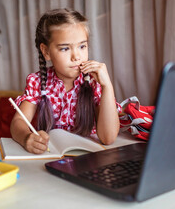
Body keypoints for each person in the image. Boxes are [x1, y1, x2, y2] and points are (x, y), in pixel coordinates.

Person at [10, 8, 122, 154]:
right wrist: (26, 138)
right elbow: (17, 122)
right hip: (52, 157)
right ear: (46, 52)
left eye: (82, 46)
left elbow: (108, 138)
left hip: (90, 158)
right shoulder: (37, 82)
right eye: (65, 49)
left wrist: (107, 86)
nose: (76, 56)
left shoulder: (94, 83)